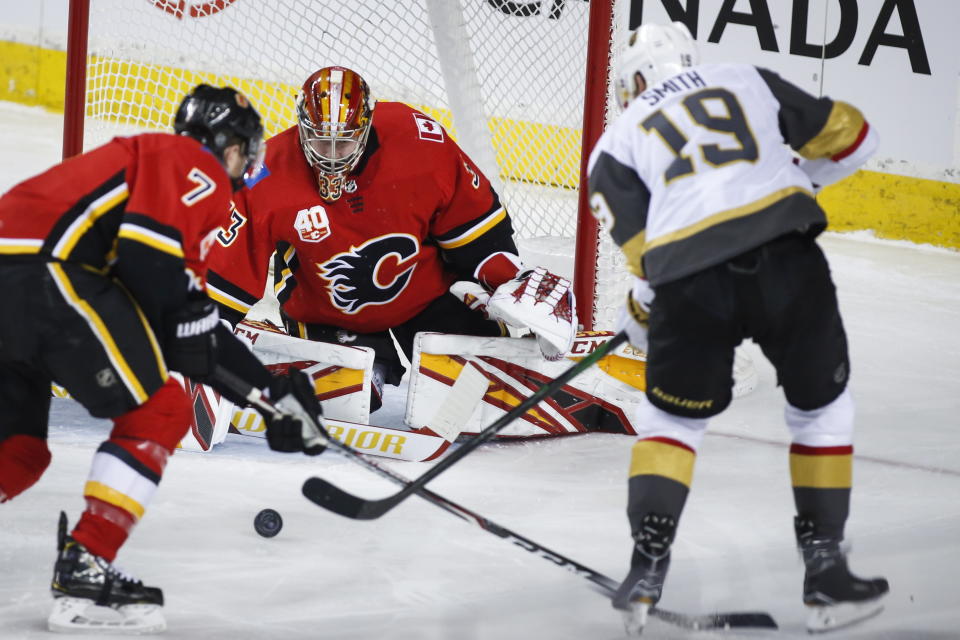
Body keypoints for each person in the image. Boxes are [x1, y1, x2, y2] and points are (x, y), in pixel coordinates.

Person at [587, 22, 889, 635]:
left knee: (672, 422)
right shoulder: (744, 77)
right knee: (820, 410)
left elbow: (650, 262)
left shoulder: (611, 146)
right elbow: (857, 137)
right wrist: (797, 178)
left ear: (631, 84)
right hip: (786, 260)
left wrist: (641, 314)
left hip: (691, 286)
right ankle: (826, 573)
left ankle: (645, 571)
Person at [0, 85, 325, 634]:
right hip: (48, 275)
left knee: (21, 452)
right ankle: (87, 562)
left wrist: (270, 398)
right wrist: (269, 396)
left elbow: (188, 329)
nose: (249, 164)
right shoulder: (190, 165)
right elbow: (158, 280)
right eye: (246, 151)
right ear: (226, 147)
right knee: (162, 411)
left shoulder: (152, 175)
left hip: (20, 277)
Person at [206, 66, 575, 412]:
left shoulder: (416, 140)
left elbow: (474, 225)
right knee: (348, 401)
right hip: (328, 314)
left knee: (481, 395)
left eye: (344, 144)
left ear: (366, 128)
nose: (332, 157)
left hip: (426, 298)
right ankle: (281, 358)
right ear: (301, 128)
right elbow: (227, 273)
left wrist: (509, 280)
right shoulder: (263, 174)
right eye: (320, 142)